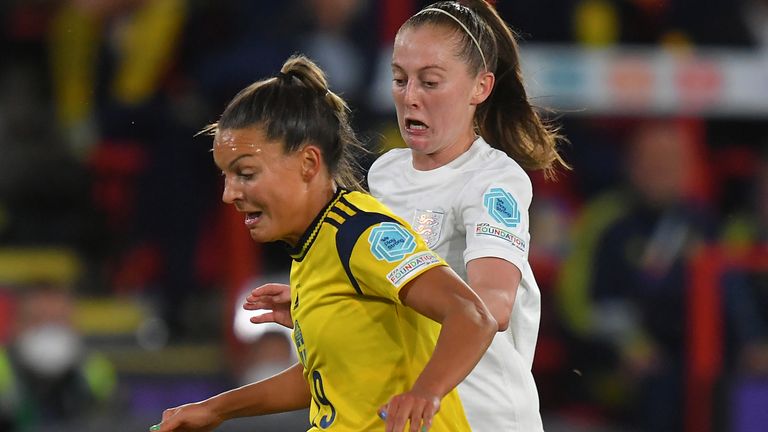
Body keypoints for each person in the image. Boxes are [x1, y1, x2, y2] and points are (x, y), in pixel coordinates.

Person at [245, 2, 570, 431]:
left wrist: (429, 388)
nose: (410, 95)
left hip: (484, 417)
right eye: (399, 79)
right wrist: (331, 303)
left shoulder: (493, 181)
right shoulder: (386, 174)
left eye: (430, 82)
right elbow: (386, 281)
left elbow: (492, 305)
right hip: (409, 417)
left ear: (480, 87)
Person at [150, 54, 497, 432]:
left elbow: (473, 315)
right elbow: (328, 380)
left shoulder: (358, 233)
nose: (229, 194)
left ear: (308, 164)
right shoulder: (312, 250)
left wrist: (427, 393)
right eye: (226, 177)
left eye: (245, 173)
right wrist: (215, 409)